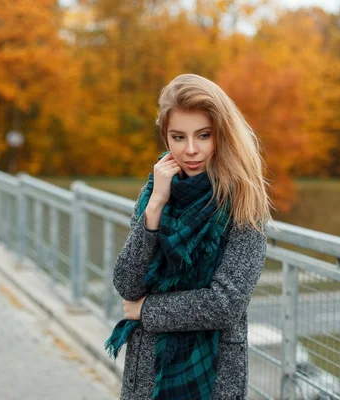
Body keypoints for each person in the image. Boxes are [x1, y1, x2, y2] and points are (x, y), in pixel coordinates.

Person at [105, 73, 272, 400]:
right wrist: (154, 209)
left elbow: (224, 305)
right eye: (178, 137)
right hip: (147, 373)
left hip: (212, 378)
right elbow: (127, 284)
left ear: (221, 135)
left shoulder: (242, 202)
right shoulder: (155, 191)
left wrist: (146, 310)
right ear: (166, 138)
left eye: (203, 135)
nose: (191, 150)